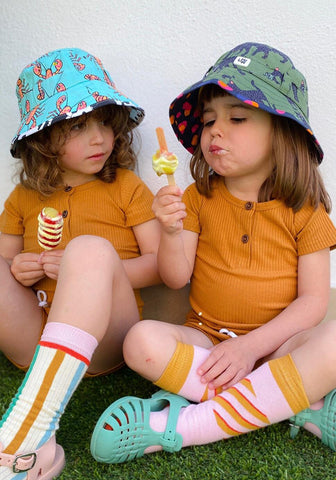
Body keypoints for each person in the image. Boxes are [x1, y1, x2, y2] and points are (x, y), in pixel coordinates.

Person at [90, 42, 336, 464]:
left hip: (278, 347)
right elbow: (174, 276)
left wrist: (249, 348)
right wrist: (169, 231)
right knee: (140, 341)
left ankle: (188, 426)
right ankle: (288, 403)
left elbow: (314, 303)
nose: (215, 131)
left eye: (237, 118)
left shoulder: (306, 211)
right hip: (205, 341)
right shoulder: (197, 197)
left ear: (284, 130)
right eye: (208, 121)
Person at [0, 47, 161, 479]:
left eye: (105, 124)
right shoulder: (23, 199)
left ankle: (35, 423)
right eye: (77, 127)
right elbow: (7, 262)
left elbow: (157, 266)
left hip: (105, 341)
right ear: (42, 140)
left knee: (88, 250)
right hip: (33, 337)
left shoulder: (125, 187)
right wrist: (19, 268)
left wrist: (85, 266)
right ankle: (40, 410)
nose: (99, 139)